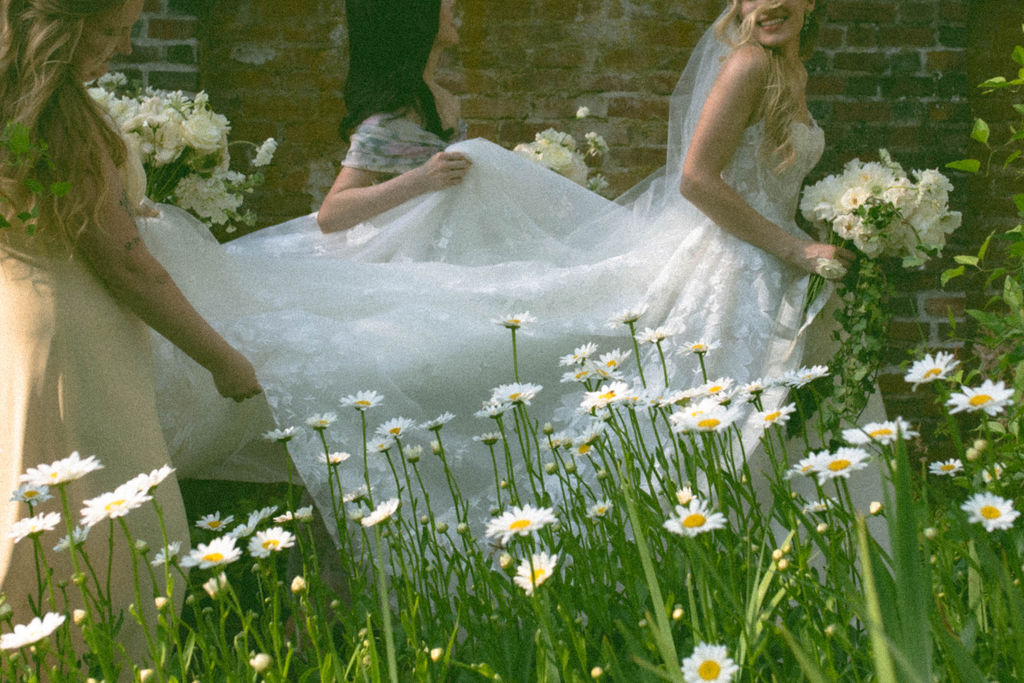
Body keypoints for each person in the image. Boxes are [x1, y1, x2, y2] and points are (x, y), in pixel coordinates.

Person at [143, 0, 881, 534]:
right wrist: (790, 246)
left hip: (769, 257)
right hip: (741, 258)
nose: (772, 3)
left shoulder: (787, 72)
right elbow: (697, 178)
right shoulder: (749, 62)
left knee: (754, 412)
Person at [0, 0, 261, 675]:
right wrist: (224, 359)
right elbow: (127, 265)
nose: (119, 48)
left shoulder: (16, 105)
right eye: (111, 31)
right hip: (78, 336)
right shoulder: (61, 119)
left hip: (18, 326)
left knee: (42, 528)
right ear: (63, 27)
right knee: (130, 536)